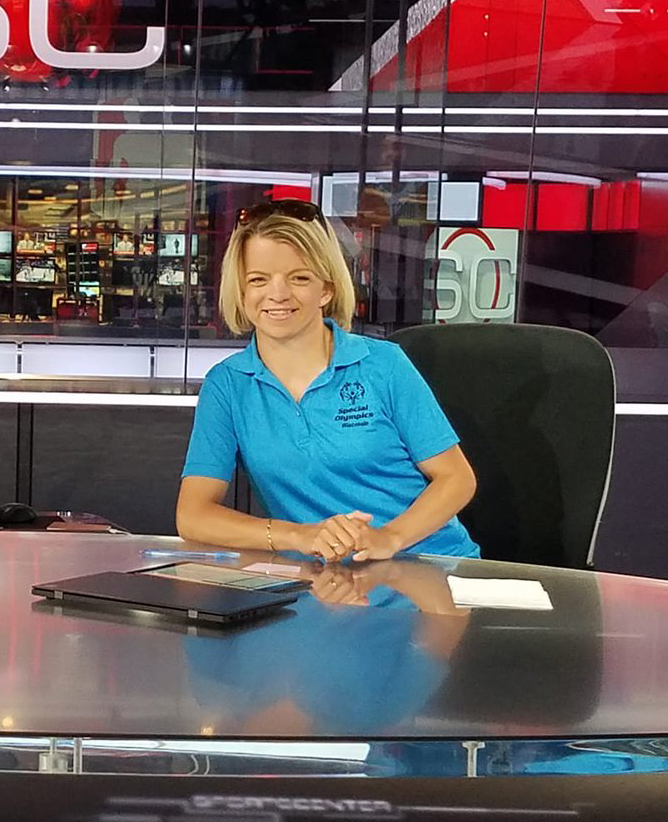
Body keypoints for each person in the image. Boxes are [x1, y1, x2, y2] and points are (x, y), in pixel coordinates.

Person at [177, 199, 477, 562]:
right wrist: (299, 536)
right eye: (258, 280)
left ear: (326, 289)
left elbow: (456, 478)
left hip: (428, 565)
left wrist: (389, 538)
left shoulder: (383, 364)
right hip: (323, 579)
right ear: (241, 292)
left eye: (299, 278)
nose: (278, 294)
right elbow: (193, 516)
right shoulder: (227, 385)